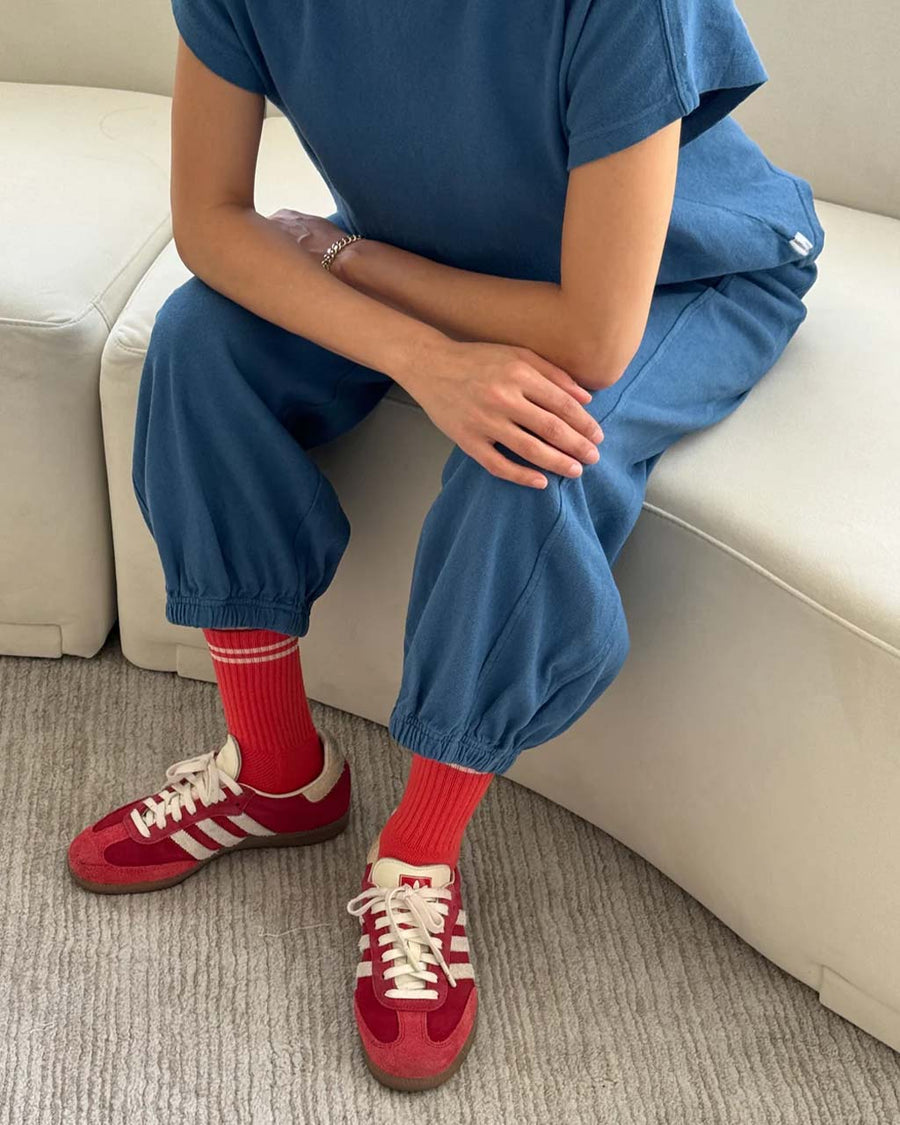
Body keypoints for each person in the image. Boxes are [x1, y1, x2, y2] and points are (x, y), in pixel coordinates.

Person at [67, 0, 825, 1092]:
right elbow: (215, 225)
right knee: (197, 344)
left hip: (678, 276)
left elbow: (591, 335)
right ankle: (277, 773)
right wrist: (421, 354)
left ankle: (418, 851)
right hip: (440, 258)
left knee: (529, 450)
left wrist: (347, 258)